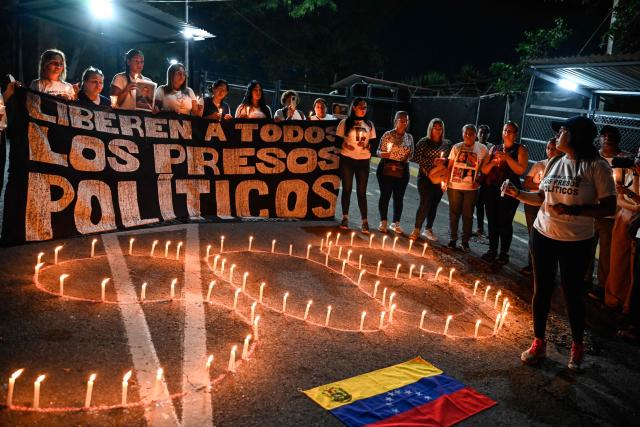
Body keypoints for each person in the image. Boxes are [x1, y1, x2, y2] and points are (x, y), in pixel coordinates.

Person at [504, 115, 616, 371]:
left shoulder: (597, 167)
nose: (557, 135)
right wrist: (517, 193)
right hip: (543, 234)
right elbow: (542, 197)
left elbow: (610, 206)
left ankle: (577, 346)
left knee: (572, 295)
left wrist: (575, 211)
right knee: (541, 291)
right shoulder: (555, 161)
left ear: (575, 136)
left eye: (562, 130)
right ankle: (539, 342)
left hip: (575, 241)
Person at [586, 125, 631, 299]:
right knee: (586, 248)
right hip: (591, 210)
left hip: (611, 214)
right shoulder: (594, 156)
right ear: (600, 138)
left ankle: (602, 285)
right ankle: (584, 279)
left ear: (618, 139)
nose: (607, 138)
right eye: (604, 135)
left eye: (611, 136)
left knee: (606, 252)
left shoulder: (625, 159)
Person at [479, 121, 529, 265]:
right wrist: (494, 163)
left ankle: (504, 253)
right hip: (492, 190)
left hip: (509, 191)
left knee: (505, 222)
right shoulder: (495, 148)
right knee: (492, 221)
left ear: (515, 134)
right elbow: (484, 170)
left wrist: (507, 158)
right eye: (505, 130)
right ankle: (492, 250)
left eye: (510, 131)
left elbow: (520, 170)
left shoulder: (520, 149)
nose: (507, 133)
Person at [604, 143, 638, 311]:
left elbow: (635, 200)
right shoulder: (628, 172)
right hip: (624, 217)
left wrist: (630, 198)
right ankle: (614, 297)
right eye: (638, 153)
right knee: (617, 259)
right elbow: (620, 198)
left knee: (633, 267)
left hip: (635, 222)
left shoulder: (636, 174)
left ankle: (628, 303)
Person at [520, 138, 561, 275]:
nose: (550, 151)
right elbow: (526, 183)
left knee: (550, 237)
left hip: (550, 205)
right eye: (548, 148)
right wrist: (543, 186)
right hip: (533, 203)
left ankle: (548, 269)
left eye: (553, 148)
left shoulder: (562, 167)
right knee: (533, 234)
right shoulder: (539, 165)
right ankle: (532, 264)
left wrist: (545, 188)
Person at [445, 124, 489, 252]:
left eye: (471, 134)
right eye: (466, 133)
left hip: (471, 188)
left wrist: (479, 182)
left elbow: (484, 169)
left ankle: (465, 242)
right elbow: (450, 166)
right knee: (454, 214)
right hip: (454, 186)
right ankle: (453, 239)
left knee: (468, 215)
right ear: (462, 134)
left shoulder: (482, 149)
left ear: (475, 135)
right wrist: (445, 181)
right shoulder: (456, 147)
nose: (468, 136)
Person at [336, 97, 376, 233]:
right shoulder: (345, 123)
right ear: (354, 107)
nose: (363, 110)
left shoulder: (369, 124)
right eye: (361, 107)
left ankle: (364, 221)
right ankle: (345, 217)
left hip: (363, 160)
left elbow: (373, 145)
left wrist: (367, 145)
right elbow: (337, 141)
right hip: (347, 159)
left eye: (365, 107)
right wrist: (345, 144)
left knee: (361, 192)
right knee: (347, 189)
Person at [408, 118, 452, 241]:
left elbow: (451, 159)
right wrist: (432, 161)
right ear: (430, 129)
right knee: (425, 202)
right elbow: (415, 158)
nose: (437, 130)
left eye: (440, 128)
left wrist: (445, 161)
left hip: (440, 178)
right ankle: (416, 229)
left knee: (434, 204)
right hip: (425, 177)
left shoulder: (447, 144)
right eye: (435, 128)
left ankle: (428, 229)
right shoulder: (424, 142)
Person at [376, 111, 414, 234]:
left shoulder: (409, 137)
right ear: (396, 120)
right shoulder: (388, 134)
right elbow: (378, 151)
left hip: (402, 169)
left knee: (399, 197)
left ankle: (395, 223)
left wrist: (405, 155)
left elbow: (412, 154)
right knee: (385, 195)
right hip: (387, 167)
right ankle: (383, 221)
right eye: (401, 120)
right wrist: (383, 154)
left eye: (406, 120)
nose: (404, 123)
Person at [475, 124, 493, 236]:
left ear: (488, 135)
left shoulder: (491, 148)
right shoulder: (474, 145)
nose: (482, 135)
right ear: (477, 134)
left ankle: (487, 229)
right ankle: (479, 227)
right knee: (477, 204)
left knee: (485, 205)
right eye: (481, 133)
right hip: (474, 178)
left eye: (485, 133)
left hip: (486, 180)